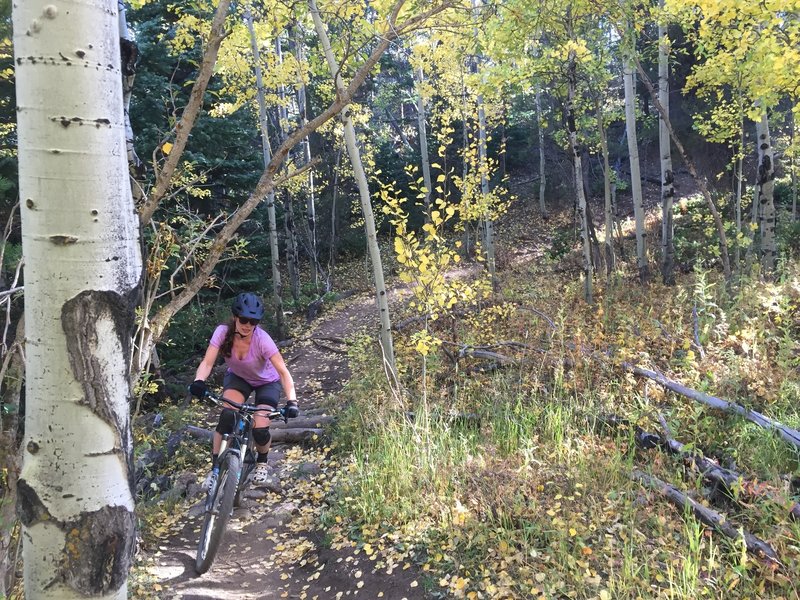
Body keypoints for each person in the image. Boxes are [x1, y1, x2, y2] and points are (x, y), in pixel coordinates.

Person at [189, 292, 299, 490]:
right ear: (235, 317)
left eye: (253, 321)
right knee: (227, 416)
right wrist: (199, 381)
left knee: (260, 428)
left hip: (267, 382)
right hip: (239, 378)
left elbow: (283, 372)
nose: (248, 325)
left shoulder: (262, 340)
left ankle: (262, 462)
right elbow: (207, 362)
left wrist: (292, 401)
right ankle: (215, 469)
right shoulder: (222, 333)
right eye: (244, 319)